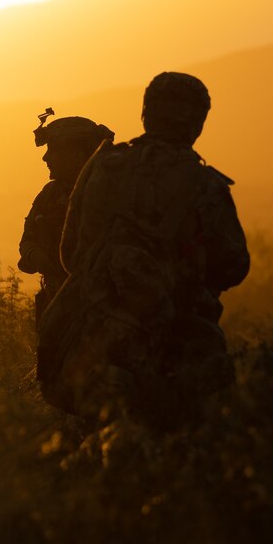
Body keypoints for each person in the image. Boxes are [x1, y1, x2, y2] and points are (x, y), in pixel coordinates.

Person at [38, 72, 249, 430]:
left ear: (146, 113)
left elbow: (70, 254)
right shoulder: (205, 185)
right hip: (177, 343)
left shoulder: (104, 166)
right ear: (198, 122)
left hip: (94, 339)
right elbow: (233, 266)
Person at [16, 110, 115, 384]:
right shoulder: (50, 195)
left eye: (55, 150)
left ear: (77, 152)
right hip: (57, 307)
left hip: (101, 312)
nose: (46, 158)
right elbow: (27, 243)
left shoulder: (110, 194)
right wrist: (41, 259)